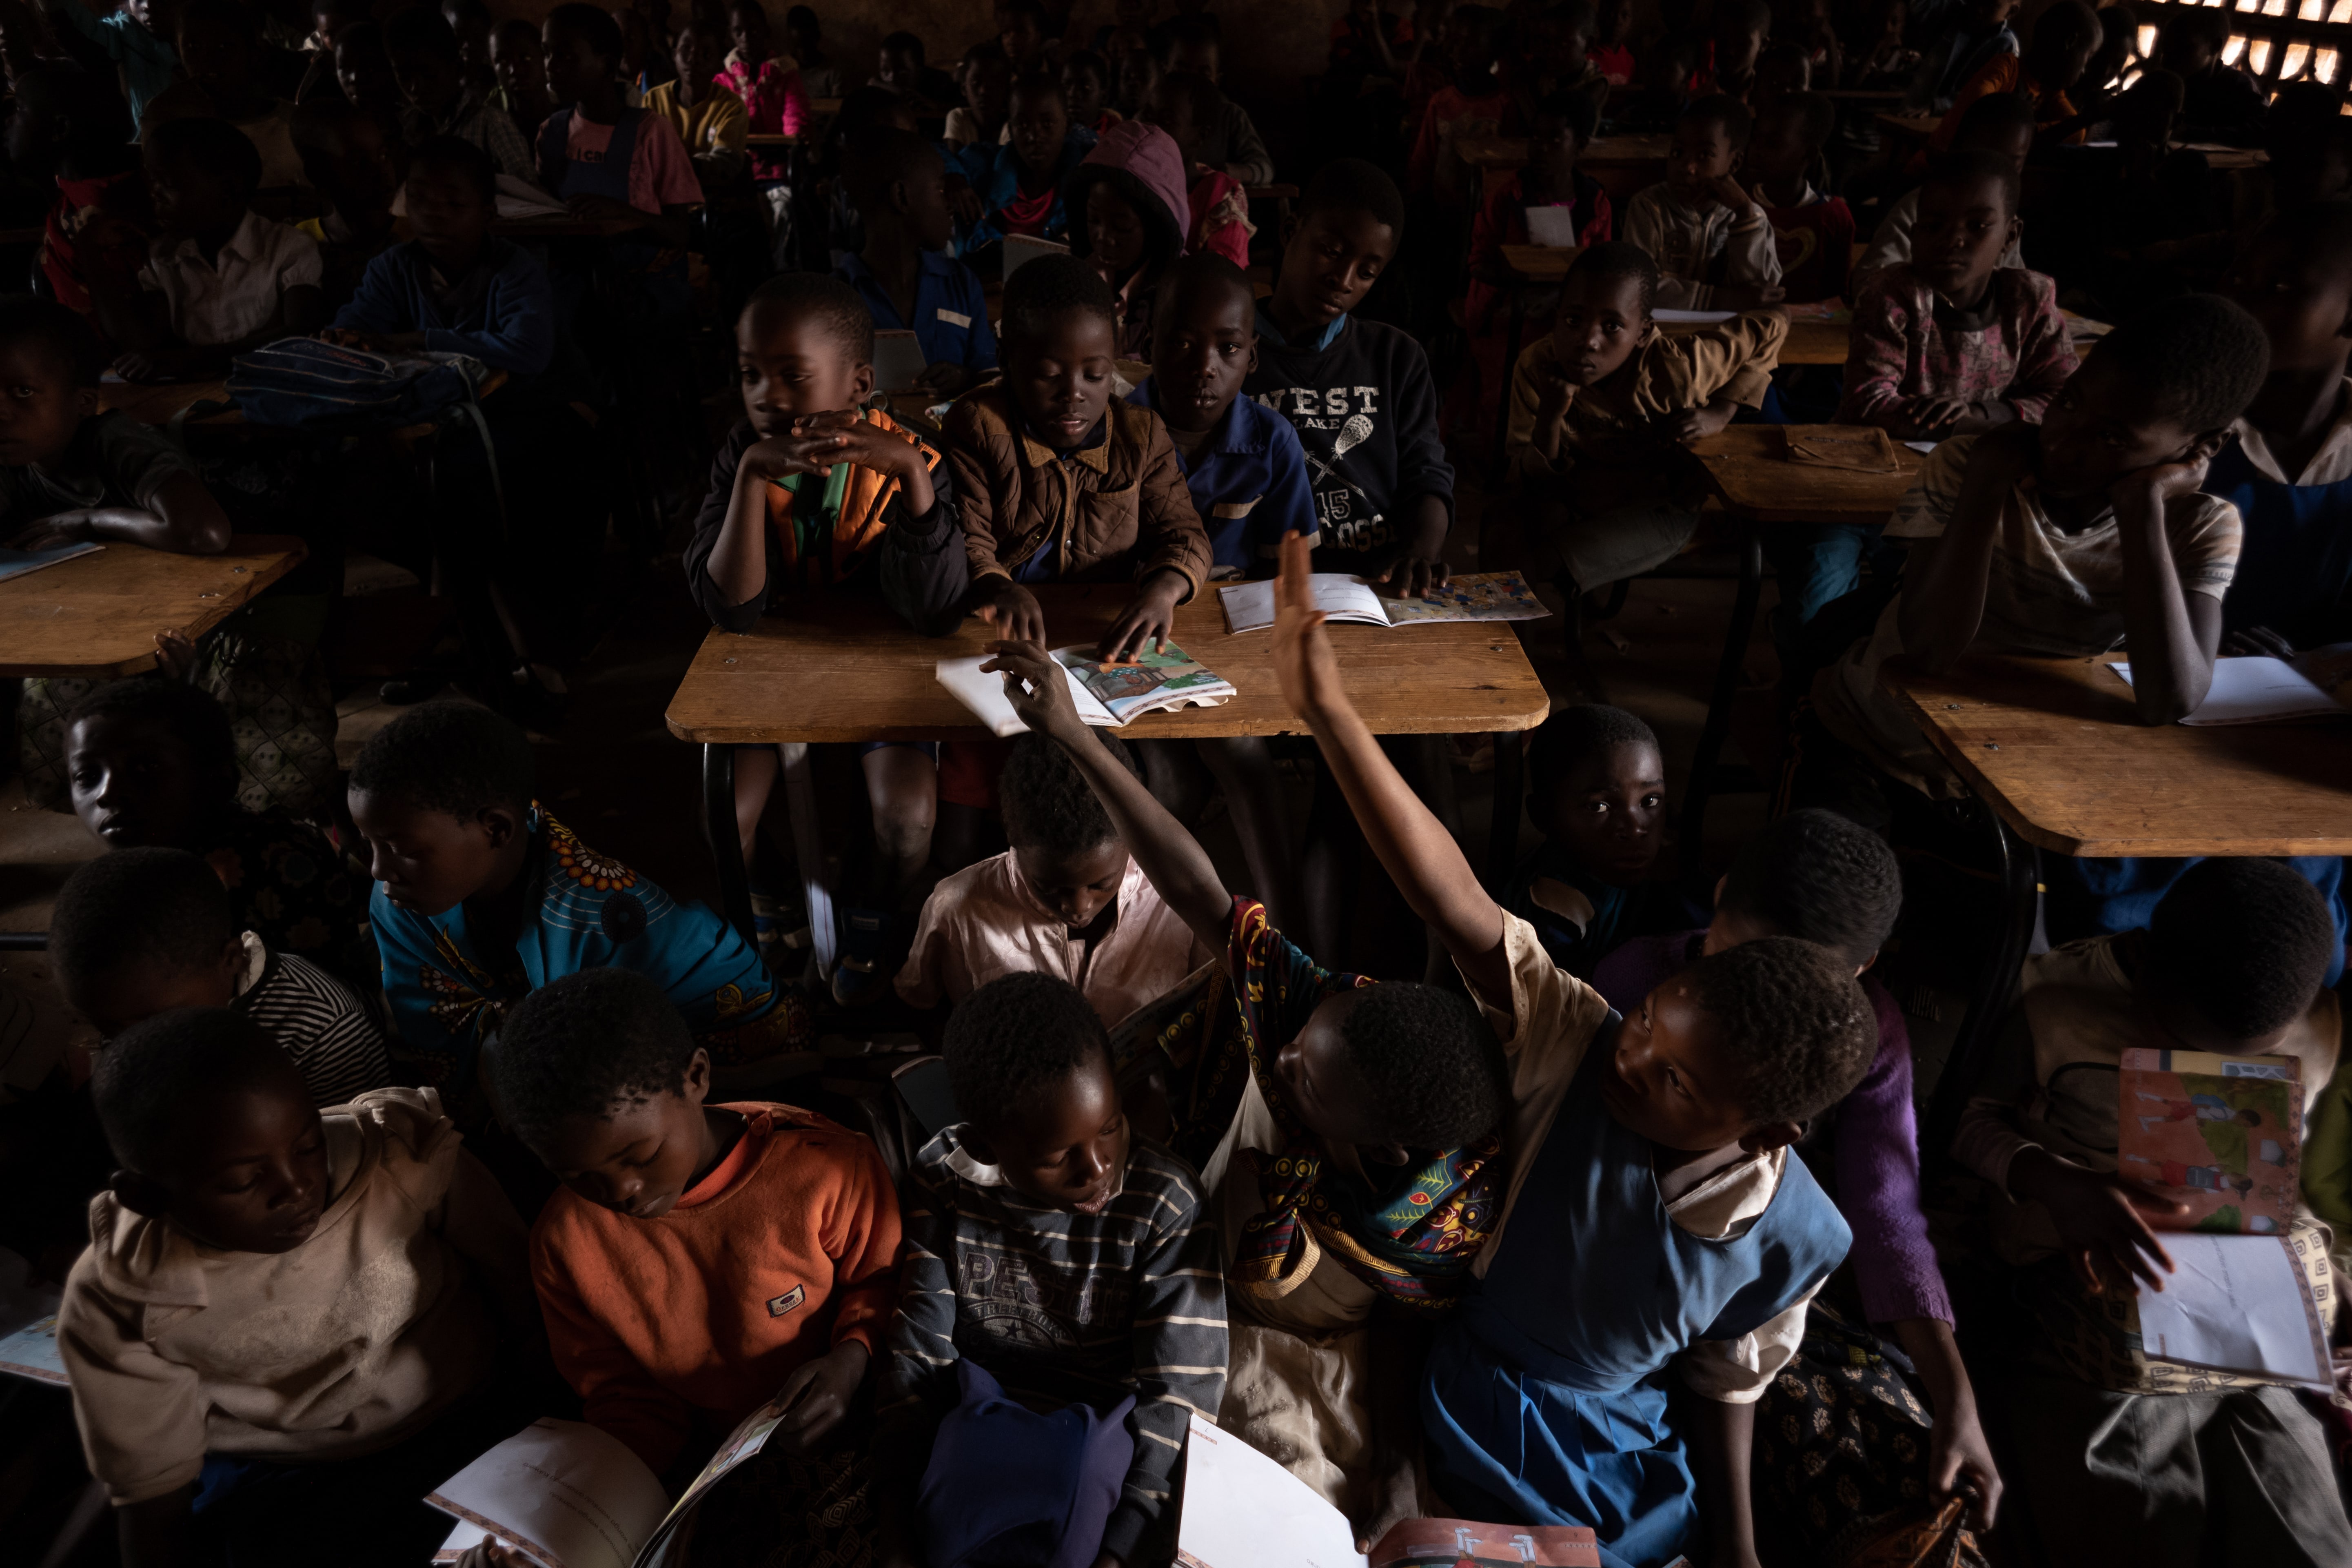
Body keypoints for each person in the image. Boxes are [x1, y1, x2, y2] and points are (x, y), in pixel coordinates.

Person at [1252, 532, 1872, 1568]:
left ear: (1765, 1131)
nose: (1629, 1059)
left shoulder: (1799, 1237)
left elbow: (1728, 1381)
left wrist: (1739, 1546)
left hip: (1610, 1451)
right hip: (1467, 1395)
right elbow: (1450, 898)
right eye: (1647, 1022)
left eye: (1671, 1078)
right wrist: (1328, 714)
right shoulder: (1572, 1037)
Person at [981, 634, 1513, 1541]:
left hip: (1315, 1328)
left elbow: (1402, 1325)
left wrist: (1395, 1463)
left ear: (1378, 1150)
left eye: (1301, 1071)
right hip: (1226, 1257)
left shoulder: (1440, 1214)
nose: (1286, 1047)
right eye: (1303, 1036)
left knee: (1297, 1491)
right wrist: (1075, 735)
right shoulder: (1324, 1018)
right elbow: (1200, 889)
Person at [1593, 810, 2002, 1558]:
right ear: (1716, 898)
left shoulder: (1868, 1034)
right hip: (1618, 1287)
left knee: (1908, 1478)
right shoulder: (1635, 984)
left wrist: (1956, 1399)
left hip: (1763, 1299)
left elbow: (1884, 1211)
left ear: (1862, 966)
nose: (1753, 1002)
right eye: (1731, 957)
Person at [1950, 858, 2352, 1564]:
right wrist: (2051, 1178)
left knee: (2312, 1539)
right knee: (2137, 1517)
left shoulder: (2313, 1020)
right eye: (2182, 1036)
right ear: (2142, 959)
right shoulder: (2052, 1001)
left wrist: (2328, 1281)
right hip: (2079, 1288)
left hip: (2249, 1308)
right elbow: (1960, 1122)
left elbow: (2293, 1175)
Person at [58, 1009, 538, 1568]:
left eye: (309, 1144)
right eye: (243, 1180)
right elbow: (151, 1492)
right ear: (145, 1196)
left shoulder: (400, 1156)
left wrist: (546, 1412)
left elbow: (521, 1292)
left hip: (471, 1417)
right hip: (294, 1472)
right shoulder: (127, 1292)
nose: (297, 1186)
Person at [1795, 297, 2270, 827]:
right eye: (2068, 401)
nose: (2063, 441)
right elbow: (1929, 650)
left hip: (2033, 774)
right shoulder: (1966, 466)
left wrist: (2142, 510)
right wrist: (1987, 482)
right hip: (1877, 742)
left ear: (2204, 446)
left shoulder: (2200, 525)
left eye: (2111, 437)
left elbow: (2169, 700)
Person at [490, 969, 899, 1554]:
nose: (622, 1191)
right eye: (579, 1177)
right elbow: (623, 1399)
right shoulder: (565, 1241)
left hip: (848, 1424)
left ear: (698, 1077)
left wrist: (852, 1357)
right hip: (697, 1469)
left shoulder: (825, 1167)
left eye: (642, 1153)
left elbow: (885, 1283)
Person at [873, 971, 1225, 1568]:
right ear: (989, 1146)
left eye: (1110, 1125)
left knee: (1079, 1477)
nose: (1098, 1167)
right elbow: (921, 1348)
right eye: (1058, 1155)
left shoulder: (1165, 1202)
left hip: (1100, 1429)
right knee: (957, 1503)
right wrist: (892, 1508)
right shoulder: (945, 1179)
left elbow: (1179, 1394)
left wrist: (1124, 1543)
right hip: (980, 1415)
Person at [685, 271, 965, 997]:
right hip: (774, 667)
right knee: (727, 817)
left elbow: (933, 611)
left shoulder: (918, 458)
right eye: (749, 375)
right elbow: (732, 611)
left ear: (859, 383)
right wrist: (751, 480)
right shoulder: (740, 456)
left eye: (792, 376)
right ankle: (775, 896)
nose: (765, 397)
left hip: (879, 669)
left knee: (906, 819)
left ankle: (869, 908)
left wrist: (908, 476)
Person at [348, 701, 811, 1128]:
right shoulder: (398, 899)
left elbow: (604, 1064)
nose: (378, 870)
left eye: (402, 850)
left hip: (697, 1069)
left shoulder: (613, 915)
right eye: (368, 845)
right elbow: (432, 1018)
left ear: (496, 829)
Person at [945, 253, 1212, 661]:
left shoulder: (1140, 436)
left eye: (1094, 375)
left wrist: (1164, 590)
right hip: (992, 632)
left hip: (1096, 633)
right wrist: (997, 586)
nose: (1073, 394)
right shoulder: (978, 426)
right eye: (1049, 375)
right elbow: (968, 538)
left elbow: (1184, 535)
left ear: (1115, 360)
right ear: (1005, 360)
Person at [1503, 243, 1786, 601]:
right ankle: (1509, 653)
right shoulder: (1536, 367)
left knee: (1529, 563)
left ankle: (1518, 651)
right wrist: (1550, 415)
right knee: (1502, 534)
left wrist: (1721, 412)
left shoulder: (1677, 369)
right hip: (1578, 491)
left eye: (1612, 326)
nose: (1588, 341)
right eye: (1573, 320)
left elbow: (1775, 319)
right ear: (1557, 316)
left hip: (1658, 505)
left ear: (1642, 334)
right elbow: (1527, 482)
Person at [54, 681, 375, 989]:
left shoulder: (279, 862)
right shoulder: (140, 868)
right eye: (87, 776)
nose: (108, 793)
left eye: (145, 768)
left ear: (219, 780)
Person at [898, 728, 1214, 1028]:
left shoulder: (1178, 902)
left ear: (1130, 839)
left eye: (1101, 885)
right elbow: (923, 1004)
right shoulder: (957, 907)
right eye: (1048, 887)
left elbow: (1212, 1007)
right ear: (1013, 841)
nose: (1079, 907)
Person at [1245, 157, 1453, 596]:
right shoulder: (1232, 353)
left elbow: (1426, 474)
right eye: (1333, 252)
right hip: (1267, 586)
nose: (1343, 281)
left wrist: (1421, 552)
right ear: (1289, 233)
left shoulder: (1396, 357)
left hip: (1375, 582)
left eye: (1366, 271)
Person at [48, 846, 390, 1107]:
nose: (127, 1045)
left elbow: (352, 1155)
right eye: (104, 1028)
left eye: (149, 1022)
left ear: (230, 959)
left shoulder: (326, 1034)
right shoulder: (142, 1002)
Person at [1839, 148, 2073, 441]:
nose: (1952, 240)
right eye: (1934, 226)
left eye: (1977, 226)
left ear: (2010, 237)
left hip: (1977, 458)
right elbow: (1866, 404)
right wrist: (1967, 425)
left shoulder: (2029, 299)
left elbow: (2068, 399)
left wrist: (1983, 414)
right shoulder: (1892, 295)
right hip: (1883, 459)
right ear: (1914, 236)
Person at [88, 115, 323, 382]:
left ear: (227, 190)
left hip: (278, 386)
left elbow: (301, 333)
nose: (155, 194)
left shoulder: (287, 246)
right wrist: (90, 252)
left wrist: (191, 359)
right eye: (151, 181)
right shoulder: (164, 257)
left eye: (168, 183)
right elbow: (140, 340)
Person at [325, 135, 555, 375]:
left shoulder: (515, 269)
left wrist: (422, 340)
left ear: (488, 215)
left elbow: (529, 350)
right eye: (417, 197)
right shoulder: (393, 267)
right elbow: (360, 322)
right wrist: (342, 337)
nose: (431, 213)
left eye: (454, 203)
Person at [1501, 705, 1700, 978]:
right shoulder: (1553, 918)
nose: (1635, 828)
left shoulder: (1609, 866)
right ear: (1542, 815)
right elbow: (1569, 1007)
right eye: (1599, 807)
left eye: (1649, 801)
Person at [836, 128, 994, 394]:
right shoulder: (838, 297)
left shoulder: (961, 283)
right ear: (901, 197)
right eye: (940, 189)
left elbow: (990, 379)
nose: (950, 205)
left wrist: (964, 378)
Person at [537, 2, 699, 257]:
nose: (551, 66)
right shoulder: (552, 132)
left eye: (566, 55)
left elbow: (680, 232)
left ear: (608, 66)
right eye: (547, 53)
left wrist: (624, 212)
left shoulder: (652, 133)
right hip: (572, 279)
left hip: (646, 283)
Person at [1620, 94, 1784, 311]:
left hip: (1726, 335)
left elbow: (1759, 293)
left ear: (1734, 163)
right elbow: (1635, 289)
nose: (1687, 167)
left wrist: (1744, 215)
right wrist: (1721, 299)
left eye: (1704, 155)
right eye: (1678, 153)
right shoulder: (1648, 206)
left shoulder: (1753, 219)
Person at [1853, 87, 2029, 286]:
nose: (1955, 239)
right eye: (1934, 227)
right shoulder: (1921, 207)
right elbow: (1868, 281)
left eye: (2011, 163)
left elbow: (2014, 287)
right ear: (1958, 148)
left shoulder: (2003, 219)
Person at [140, 0, 308, 193]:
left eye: (223, 46)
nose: (207, 59)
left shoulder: (291, 126)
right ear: (178, 49)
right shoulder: (167, 116)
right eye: (193, 46)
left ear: (255, 53)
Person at [1065, 117, 1192, 358]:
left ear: (1156, 227)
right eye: (1093, 220)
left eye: (1121, 227)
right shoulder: (1080, 278)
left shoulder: (1182, 297)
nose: (1103, 237)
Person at [385, 2, 535, 185]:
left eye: (429, 75)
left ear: (457, 68)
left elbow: (530, 196)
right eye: (404, 78)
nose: (416, 88)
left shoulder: (491, 125)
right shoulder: (404, 128)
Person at [1924, 0, 2099, 155]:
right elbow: (1974, 111)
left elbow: (2076, 132)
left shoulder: (2050, 92)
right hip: (1937, 166)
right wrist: (2016, 119)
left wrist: (2027, 128)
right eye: (2088, 58)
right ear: (2070, 43)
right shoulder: (2006, 68)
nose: (2084, 71)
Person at [950, 69, 1094, 252]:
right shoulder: (984, 165)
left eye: (1047, 124)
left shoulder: (1084, 181)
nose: (1034, 136)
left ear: (1068, 126)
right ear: (1010, 129)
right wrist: (954, 175)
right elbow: (929, 154)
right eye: (1023, 125)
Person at [1139, 69, 1254, 268]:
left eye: (1167, 121)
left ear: (1201, 135)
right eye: (1148, 116)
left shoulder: (1223, 194)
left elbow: (1222, 273)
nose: (1151, 128)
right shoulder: (1131, 177)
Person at [1747, 89, 1849, 304]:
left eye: (1773, 143)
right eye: (1756, 139)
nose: (1757, 150)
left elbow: (1835, 295)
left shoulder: (1832, 216)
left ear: (1808, 155)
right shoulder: (1740, 204)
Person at [1406, 3, 1509, 206]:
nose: (1457, 51)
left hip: (1490, 207)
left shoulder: (1506, 104)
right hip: (1443, 208)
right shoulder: (1441, 102)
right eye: (1454, 41)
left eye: (1470, 43)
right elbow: (1422, 163)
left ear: (1493, 50)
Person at [1153, 20, 1274, 186]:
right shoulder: (1152, 113)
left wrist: (1232, 172)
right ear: (1165, 69)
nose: (1192, 82)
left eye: (1203, 74)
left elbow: (1265, 168)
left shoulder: (1230, 116)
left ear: (1217, 80)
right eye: (1181, 70)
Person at [719, 0, 811, 203]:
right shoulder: (724, 81)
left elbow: (795, 114)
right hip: (739, 170)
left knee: (784, 207)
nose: (746, 38)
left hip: (779, 167)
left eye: (753, 30)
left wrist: (792, 142)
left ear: (766, 31)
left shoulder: (785, 74)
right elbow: (720, 123)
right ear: (731, 35)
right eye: (738, 32)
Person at [645, 16, 748, 186]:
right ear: (674, 55)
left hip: (707, 201)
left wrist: (672, 166)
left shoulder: (731, 107)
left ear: (719, 65)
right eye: (686, 49)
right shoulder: (654, 100)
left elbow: (723, 163)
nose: (694, 59)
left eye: (706, 53)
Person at [2160, 6, 2265, 147]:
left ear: (2215, 46)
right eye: (2166, 48)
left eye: (2185, 48)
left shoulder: (2236, 85)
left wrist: (2191, 134)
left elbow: (2265, 130)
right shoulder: (2163, 82)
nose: (2171, 57)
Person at [1903, 0, 2015, 115]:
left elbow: (1983, 93)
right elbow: (1918, 6)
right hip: (1913, 108)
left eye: (1991, 6)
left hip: (1956, 121)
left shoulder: (2006, 46)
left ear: (2011, 12)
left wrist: (1937, 107)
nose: (1979, 9)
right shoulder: (1954, 11)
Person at [490, 16, 555, 135]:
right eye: (503, 61)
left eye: (526, 58)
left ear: (544, 58)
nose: (515, 70)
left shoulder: (574, 121)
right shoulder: (498, 132)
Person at [943, 38, 1012, 149]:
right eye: (976, 83)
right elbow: (952, 162)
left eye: (993, 84)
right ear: (964, 89)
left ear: (1007, 90)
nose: (983, 91)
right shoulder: (959, 117)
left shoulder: (1013, 125)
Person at [781, 4, 839, 96]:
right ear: (790, 42)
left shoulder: (832, 73)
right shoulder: (783, 71)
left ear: (818, 37)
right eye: (799, 47)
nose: (803, 53)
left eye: (808, 45)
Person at [1062, 45, 1120, 135]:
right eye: (1066, 87)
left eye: (1086, 87)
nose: (1073, 94)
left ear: (1104, 96)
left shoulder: (1116, 135)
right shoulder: (1051, 135)